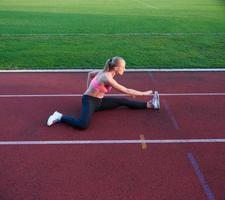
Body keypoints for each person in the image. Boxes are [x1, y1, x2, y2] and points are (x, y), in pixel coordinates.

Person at [47, 56, 160, 129]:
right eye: (123, 67)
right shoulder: (107, 77)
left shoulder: (107, 72)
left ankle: (150, 104)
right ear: (116, 68)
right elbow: (126, 90)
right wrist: (144, 93)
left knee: (123, 101)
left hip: (99, 101)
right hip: (89, 101)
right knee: (83, 125)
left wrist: (87, 88)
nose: (124, 69)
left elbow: (90, 74)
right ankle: (60, 116)